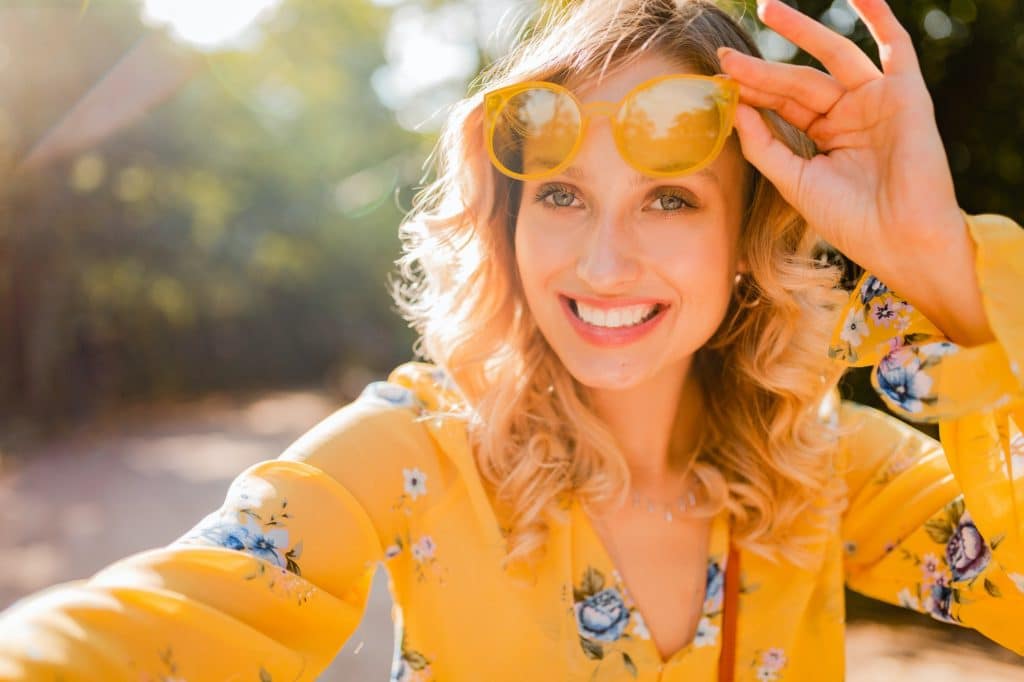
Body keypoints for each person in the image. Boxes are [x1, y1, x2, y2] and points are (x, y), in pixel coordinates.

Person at [1, 0, 1022, 679]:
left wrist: (940, 265)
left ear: (747, 237)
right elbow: (157, 621)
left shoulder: (826, 465)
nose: (604, 260)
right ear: (506, 219)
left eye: (668, 199)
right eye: (564, 195)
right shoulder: (416, 447)